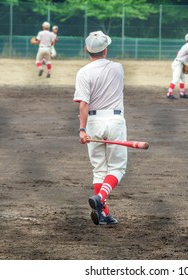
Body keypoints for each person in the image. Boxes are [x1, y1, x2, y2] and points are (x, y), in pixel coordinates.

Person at [73, 31, 127, 226]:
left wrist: (82, 129)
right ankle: (101, 199)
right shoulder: (118, 68)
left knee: (99, 169)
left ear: (87, 50)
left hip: (93, 122)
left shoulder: (83, 72)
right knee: (118, 168)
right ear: (105, 50)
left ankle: (103, 212)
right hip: (114, 120)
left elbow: (83, 105)